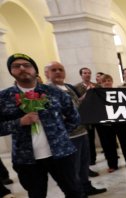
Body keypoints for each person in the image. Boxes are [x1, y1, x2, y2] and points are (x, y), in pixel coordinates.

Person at [0, 53, 84, 197]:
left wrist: (61, 134)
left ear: (35, 70)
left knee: (75, 191)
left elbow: (74, 118)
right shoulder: (4, 97)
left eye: (27, 65)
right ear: (11, 71)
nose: (22, 68)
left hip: (61, 154)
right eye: (16, 66)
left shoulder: (55, 93)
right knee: (36, 194)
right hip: (26, 159)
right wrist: (19, 122)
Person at [47, 61, 107, 196]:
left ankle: (86, 186)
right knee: (73, 167)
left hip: (82, 130)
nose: (58, 72)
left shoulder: (68, 87)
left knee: (84, 163)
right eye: (54, 70)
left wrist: (86, 96)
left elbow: (77, 103)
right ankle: (77, 191)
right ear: (47, 73)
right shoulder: (47, 90)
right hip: (68, 135)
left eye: (60, 69)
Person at [96, 74, 126, 172]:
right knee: (109, 145)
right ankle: (112, 165)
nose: (107, 82)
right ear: (101, 83)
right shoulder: (97, 94)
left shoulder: (119, 93)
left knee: (124, 143)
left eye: (109, 80)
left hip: (120, 123)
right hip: (106, 124)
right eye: (104, 81)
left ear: (111, 82)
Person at [75, 67, 101, 174]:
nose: (87, 75)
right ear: (81, 75)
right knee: (89, 139)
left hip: (98, 115)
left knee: (102, 136)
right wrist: (87, 93)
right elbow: (77, 101)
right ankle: (92, 159)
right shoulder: (76, 87)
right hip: (86, 116)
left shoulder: (97, 85)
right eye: (85, 73)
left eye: (89, 73)